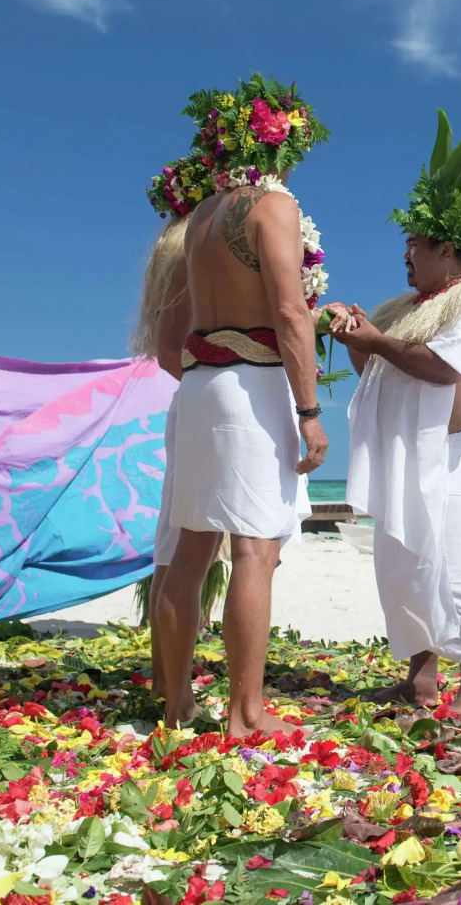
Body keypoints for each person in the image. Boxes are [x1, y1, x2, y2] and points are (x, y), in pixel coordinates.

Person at [338, 107, 461, 716]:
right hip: (410, 453)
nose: (406, 256)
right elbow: (383, 369)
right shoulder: (406, 305)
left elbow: (444, 369)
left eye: (415, 245)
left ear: (448, 249)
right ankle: (420, 680)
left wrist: (374, 340)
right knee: (406, 566)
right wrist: (357, 334)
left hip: (454, 459)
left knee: (454, 569)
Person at [153, 166, 340, 735]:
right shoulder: (273, 206)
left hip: (199, 388)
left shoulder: (201, 219)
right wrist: (308, 411)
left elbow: (168, 345)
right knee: (255, 552)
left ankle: (177, 702)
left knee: (190, 552)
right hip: (252, 389)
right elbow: (286, 312)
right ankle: (245, 713)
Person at [128, 208, 221, 708]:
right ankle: (175, 692)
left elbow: (168, 352)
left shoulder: (182, 256)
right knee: (188, 550)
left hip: (196, 404)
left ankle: (168, 684)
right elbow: (170, 352)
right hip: (206, 407)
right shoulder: (196, 254)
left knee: (176, 547)